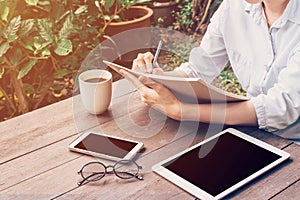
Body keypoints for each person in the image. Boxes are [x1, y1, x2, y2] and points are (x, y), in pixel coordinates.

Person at [119, 0, 300, 140]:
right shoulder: (232, 8)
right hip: (253, 130)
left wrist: (181, 111)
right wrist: (157, 77)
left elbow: (280, 107)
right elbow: (197, 69)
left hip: (293, 142)